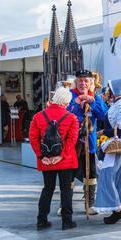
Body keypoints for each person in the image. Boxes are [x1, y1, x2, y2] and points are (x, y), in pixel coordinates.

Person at [29, 87, 79, 231]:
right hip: (65, 160)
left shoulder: (38, 116)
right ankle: (67, 222)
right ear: (67, 102)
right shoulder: (72, 118)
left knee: (48, 189)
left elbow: (33, 138)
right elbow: (72, 140)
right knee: (66, 190)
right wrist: (61, 155)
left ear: (54, 98)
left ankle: (41, 221)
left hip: (46, 159)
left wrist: (42, 156)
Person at [67, 70, 108, 215]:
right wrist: (78, 104)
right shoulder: (70, 96)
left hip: (89, 143)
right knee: (69, 176)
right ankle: (65, 206)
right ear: (76, 82)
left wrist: (92, 102)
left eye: (86, 81)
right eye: (80, 81)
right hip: (72, 143)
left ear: (90, 83)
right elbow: (65, 116)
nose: (83, 83)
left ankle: (90, 204)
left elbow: (104, 115)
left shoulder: (95, 97)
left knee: (90, 175)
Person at [94, 78, 121, 224]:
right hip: (118, 147)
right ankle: (120, 208)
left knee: (107, 178)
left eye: (109, 88)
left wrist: (104, 131)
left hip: (116, 147)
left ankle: (117, 210)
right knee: (118, 179)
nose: (107, 91)